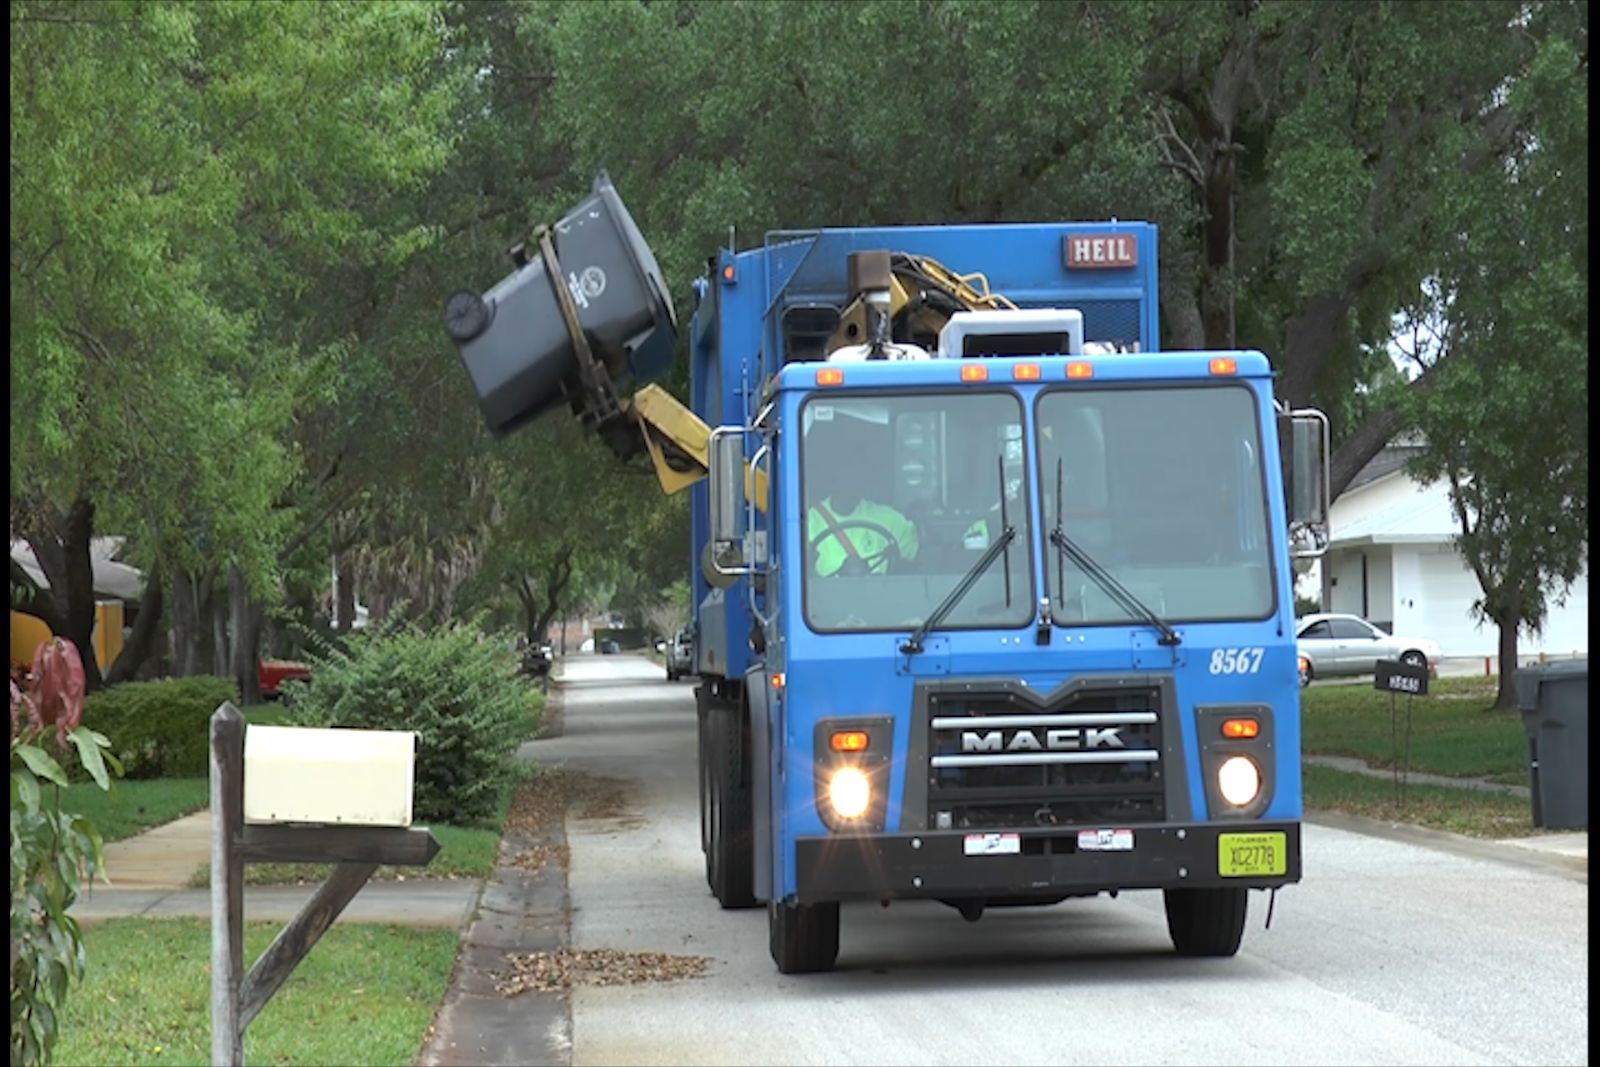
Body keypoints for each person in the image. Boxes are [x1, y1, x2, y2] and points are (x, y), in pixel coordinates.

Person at [805, 437, 919, 577]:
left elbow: (920, 558)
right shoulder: (807, 522)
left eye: (853, 475)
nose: (848, 482)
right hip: (826, 599)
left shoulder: (888, 519)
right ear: (831, 480)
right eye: (842, 474)